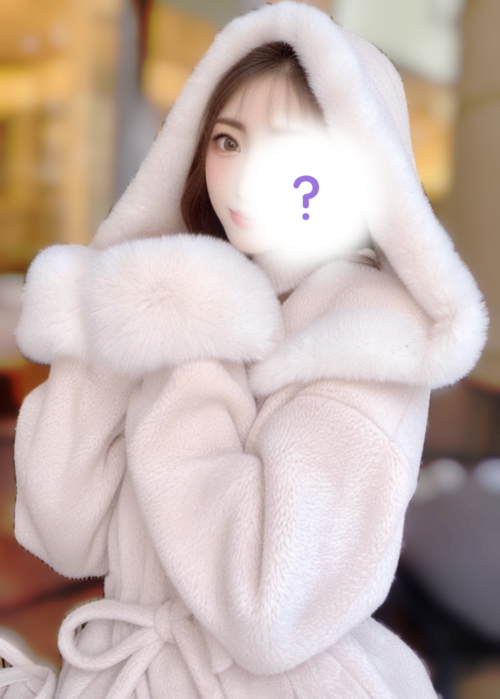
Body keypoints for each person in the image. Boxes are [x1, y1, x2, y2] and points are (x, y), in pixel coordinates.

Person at [1, 2, 488, 697]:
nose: (244, 174)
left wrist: (197, 349)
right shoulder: (189, 291)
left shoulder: (367, 337)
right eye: (227, 141)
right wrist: (102, 326)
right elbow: (63, 532)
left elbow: (265, 611)